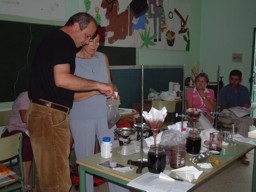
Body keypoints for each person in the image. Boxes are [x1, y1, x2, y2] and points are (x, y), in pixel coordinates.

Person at [27, 12, 114, 192]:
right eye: (87, 35)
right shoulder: (63, 41)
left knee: (49, 178)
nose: (86, 41)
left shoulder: (52, 39)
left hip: (46, 113)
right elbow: (62, 80)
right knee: (58, 180)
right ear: (75, 26)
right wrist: (97, 85)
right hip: (50, 114)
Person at [70, 26, 130, 192]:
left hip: (105, 116)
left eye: (98, 42)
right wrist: (96, 89)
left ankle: (119, 190)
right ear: (83, 40)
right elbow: (71, 96)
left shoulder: (103, 57)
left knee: (113, 156)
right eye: (91, 41)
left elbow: (109, 83)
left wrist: (114, 94)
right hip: (81, 118)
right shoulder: (71, 61)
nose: (95, 46)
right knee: (86, 160)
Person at [218, 69, 255, 165]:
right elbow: (222, 107)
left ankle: (242, 154)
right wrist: (234, 109)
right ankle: (252, 121)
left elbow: (247, 105)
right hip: (225, 116)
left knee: (243, 123)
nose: (234, 82)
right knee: (227, 112)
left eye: (236, 79)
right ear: (229, 79)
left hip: (240, 117)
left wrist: (245, 107)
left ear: (240, 80)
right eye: (232, 79)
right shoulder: (224, 90)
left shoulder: (244, 90)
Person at [1, 91, 33, 192]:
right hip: (14, 130)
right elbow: (24, 118)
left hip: (29, 131)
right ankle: (26, 183)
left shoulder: (42, 98)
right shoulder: (25, 96)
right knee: (26, 143)